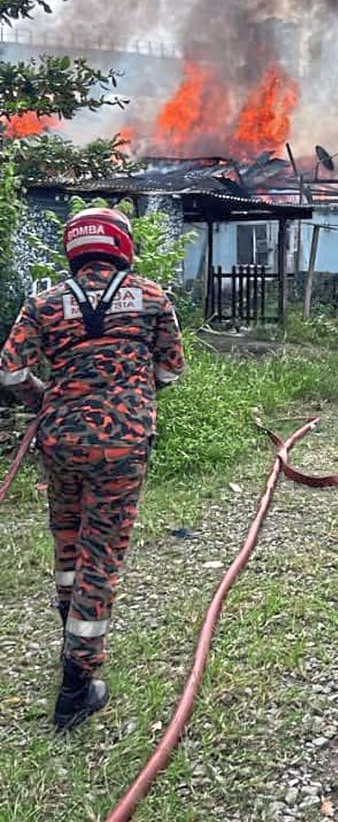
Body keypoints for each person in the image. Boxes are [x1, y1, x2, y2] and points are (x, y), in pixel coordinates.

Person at [0, 207, 184, 731]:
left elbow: (10, 372)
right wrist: (135, 392)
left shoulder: (44, 303)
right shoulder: (151, 297)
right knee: (100, 556)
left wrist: (46, 396)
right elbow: (171, 369)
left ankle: (71, 637)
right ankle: (78, 685)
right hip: (122, 445)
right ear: (121, 246)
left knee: (68, 543)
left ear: (74, 247)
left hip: (59, 440)